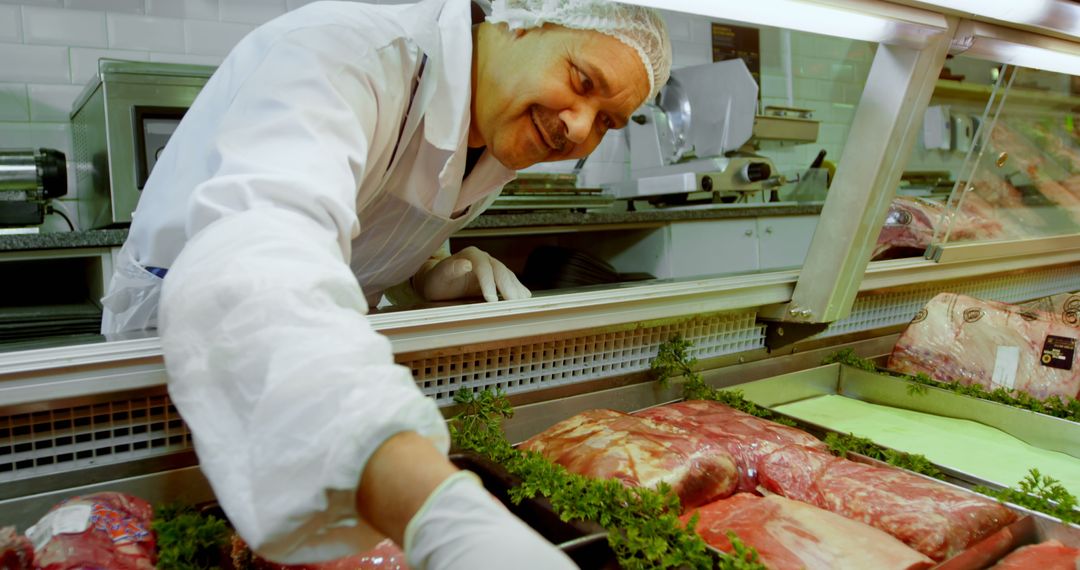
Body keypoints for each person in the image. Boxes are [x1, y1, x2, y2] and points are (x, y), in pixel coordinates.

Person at [99, 0, 670, 567]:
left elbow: (373, 204)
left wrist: (428, 271)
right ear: (521, 20)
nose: (577, 126)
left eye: (606, 121)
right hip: (192, 352)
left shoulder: (500, 114)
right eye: (581, 80)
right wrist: (441, 514)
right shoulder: (346, 54)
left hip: (328, 372)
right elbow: (257, 262)